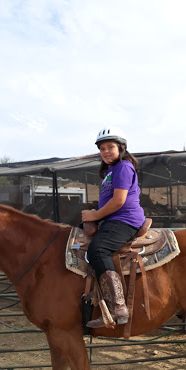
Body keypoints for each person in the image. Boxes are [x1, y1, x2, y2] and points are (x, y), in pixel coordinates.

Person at [81, 127, 145, 328]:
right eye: (102, 148)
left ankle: (118, 306)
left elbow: (119, 201)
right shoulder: (111, 171)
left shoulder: (124, 167)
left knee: (98, 249)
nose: (106, 151)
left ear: (121, 148)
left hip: (125, 219)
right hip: (113, 219)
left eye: (110, 147)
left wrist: (95, 215)